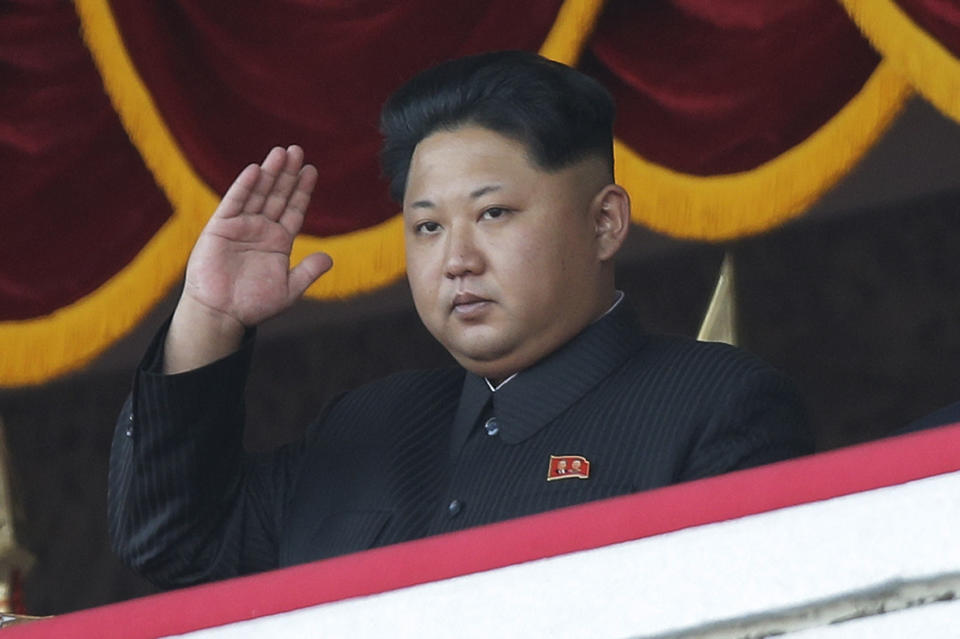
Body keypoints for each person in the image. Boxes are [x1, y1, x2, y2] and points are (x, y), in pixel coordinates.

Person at [109, 50, 812, 588]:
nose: (456, 259)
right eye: (426, 227)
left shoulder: (716, 405)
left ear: (604, 223)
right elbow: (171, 541)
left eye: (493, 213)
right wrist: (209, 315)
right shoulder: (364, 427)